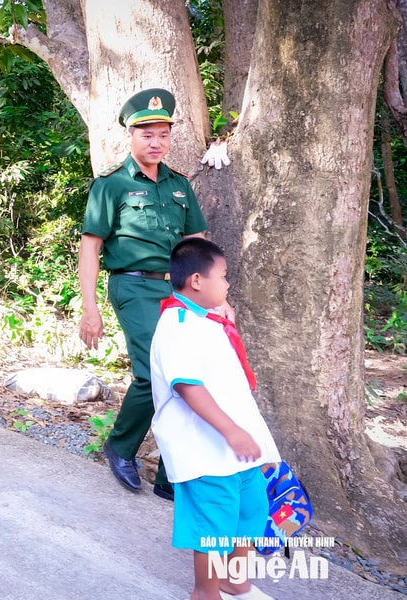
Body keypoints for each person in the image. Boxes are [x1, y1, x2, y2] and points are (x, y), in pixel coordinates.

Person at [79, 88, 232, 501]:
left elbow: (196, 244)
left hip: (180, 290)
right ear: (131, 136)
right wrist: (89, 307)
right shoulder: (112, 185)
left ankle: (172, 474)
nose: (155, 141)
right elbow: (91, 246)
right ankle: (120, 447)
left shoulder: (179, 185)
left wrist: (217, 299)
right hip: (133, 285)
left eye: (162, 134)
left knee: (189, 375)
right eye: (146, 133)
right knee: (153, 373)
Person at [150, 238, 280, 600]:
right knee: (214, 525)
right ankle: (205, 593)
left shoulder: (205, 321)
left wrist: (243, 433)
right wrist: (232, 431)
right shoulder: (176, 324)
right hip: (204, 447)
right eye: (223, 277)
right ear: (196, 280)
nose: (227, 285)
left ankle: (234, 581)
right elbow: (188, 386)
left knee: (251, 510)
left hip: (234, 446)